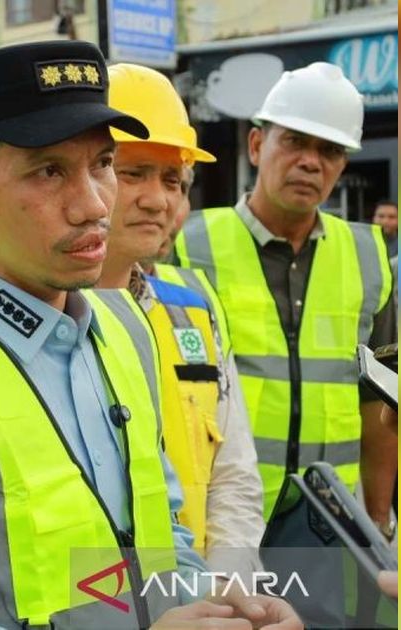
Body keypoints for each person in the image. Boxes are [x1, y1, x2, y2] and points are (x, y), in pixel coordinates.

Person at [0, 41, 300, 629]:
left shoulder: (127, 331)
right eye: (49, 172)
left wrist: (222, 605)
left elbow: (160, 536)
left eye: (102, 164)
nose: (93, 205)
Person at [173, 62, 397, 530]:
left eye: (330, 150)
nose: (311, 162)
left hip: (328, 527)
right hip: (219, 523)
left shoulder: (368, 259)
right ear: (257, 145)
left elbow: (379, 403)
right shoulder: (186, 247)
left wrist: (378, 520)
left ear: (342, 165)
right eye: (294, 141)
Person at [97, 64, 265, 575]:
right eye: (133, 173)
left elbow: (233, 473)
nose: (158, 200)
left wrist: (226, 585)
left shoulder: (192, 306)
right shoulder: (39, 316)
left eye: (173, 180)